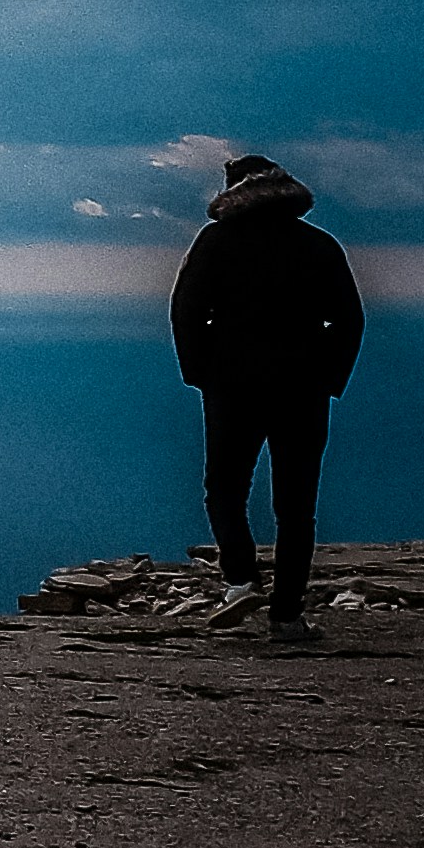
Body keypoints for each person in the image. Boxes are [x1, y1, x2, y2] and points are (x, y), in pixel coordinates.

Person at [169, 153, 366, 642]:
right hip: (303, 385)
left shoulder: (215, 241)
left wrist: (199, 371)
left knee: (225, 488)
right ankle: (287, 617)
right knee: (296, 506)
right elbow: (349, 319)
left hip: (232, 381)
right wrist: (329, 378)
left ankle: (240, 581)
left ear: (233, 191)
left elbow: (186, 309)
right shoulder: (319, 245)